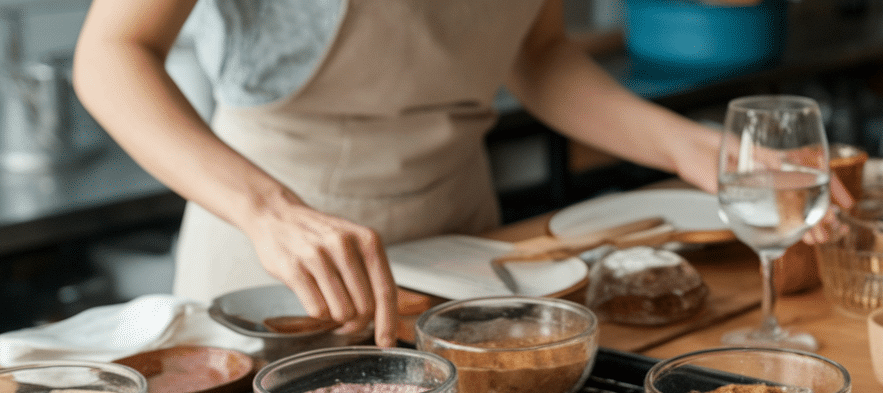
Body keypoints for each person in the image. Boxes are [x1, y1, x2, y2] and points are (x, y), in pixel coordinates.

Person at [72, 0, 722, 347]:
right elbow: (112, 53)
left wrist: (687, 146)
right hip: (276, 252)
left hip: (464, 249)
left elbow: (539, 51)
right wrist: (269, 212)